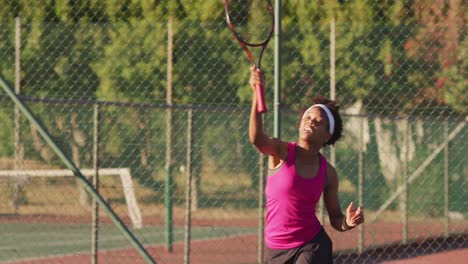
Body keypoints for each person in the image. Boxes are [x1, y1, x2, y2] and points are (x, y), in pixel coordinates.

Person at [248, 67, 364, 264]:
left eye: (318, 121)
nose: (310, 122)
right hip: (274, 249)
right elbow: (257, 139)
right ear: (300, 124)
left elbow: (336, 218)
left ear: (327, 135)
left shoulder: (328, 172)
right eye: (307, 118)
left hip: (311, 245)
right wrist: (256, 95)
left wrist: (348, 222)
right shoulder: (281, 151)